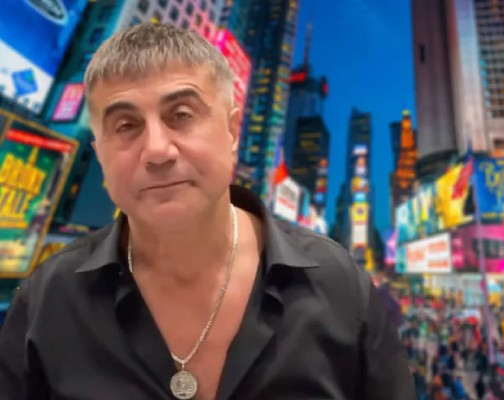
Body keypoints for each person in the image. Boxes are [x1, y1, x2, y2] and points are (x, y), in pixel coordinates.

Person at [0, 24, 414, 400]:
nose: (157, 150)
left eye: (181, 115)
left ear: (232, 132)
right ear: (100, 153)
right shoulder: (46, 300)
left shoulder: (341, 287)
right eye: (125, 125)